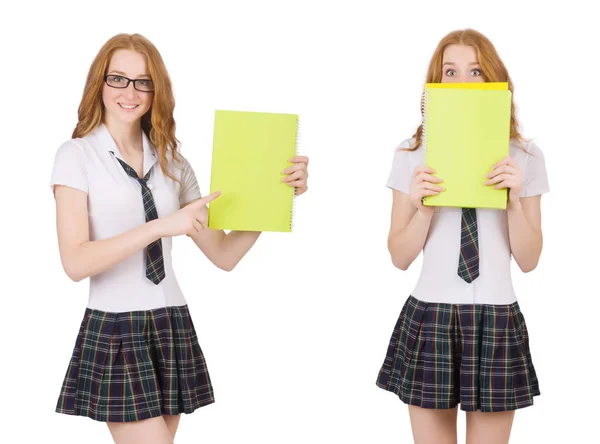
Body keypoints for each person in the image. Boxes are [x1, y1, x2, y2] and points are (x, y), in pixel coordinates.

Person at [49, 33, 309, 444]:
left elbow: (223, 254)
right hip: (117, 325)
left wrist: (274, 198)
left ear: (156, 91)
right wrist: (160, 226)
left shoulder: (172, 162)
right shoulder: (76, 156)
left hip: (170, 319)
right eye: (118, 78)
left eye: (143, 81)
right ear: (99, 83)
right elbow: (75, 263)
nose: (130, 92)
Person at [376, 29, 548, 444]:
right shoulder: (411, 154)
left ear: (495, 81)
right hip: (431, 312)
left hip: (496, 313)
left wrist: (513, 203)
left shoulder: (524, 156)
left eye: (475, 71)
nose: (462, 82)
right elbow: (399, 256)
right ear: (433, 85)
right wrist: (422, 210)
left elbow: (529, 259)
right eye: (449, 71)